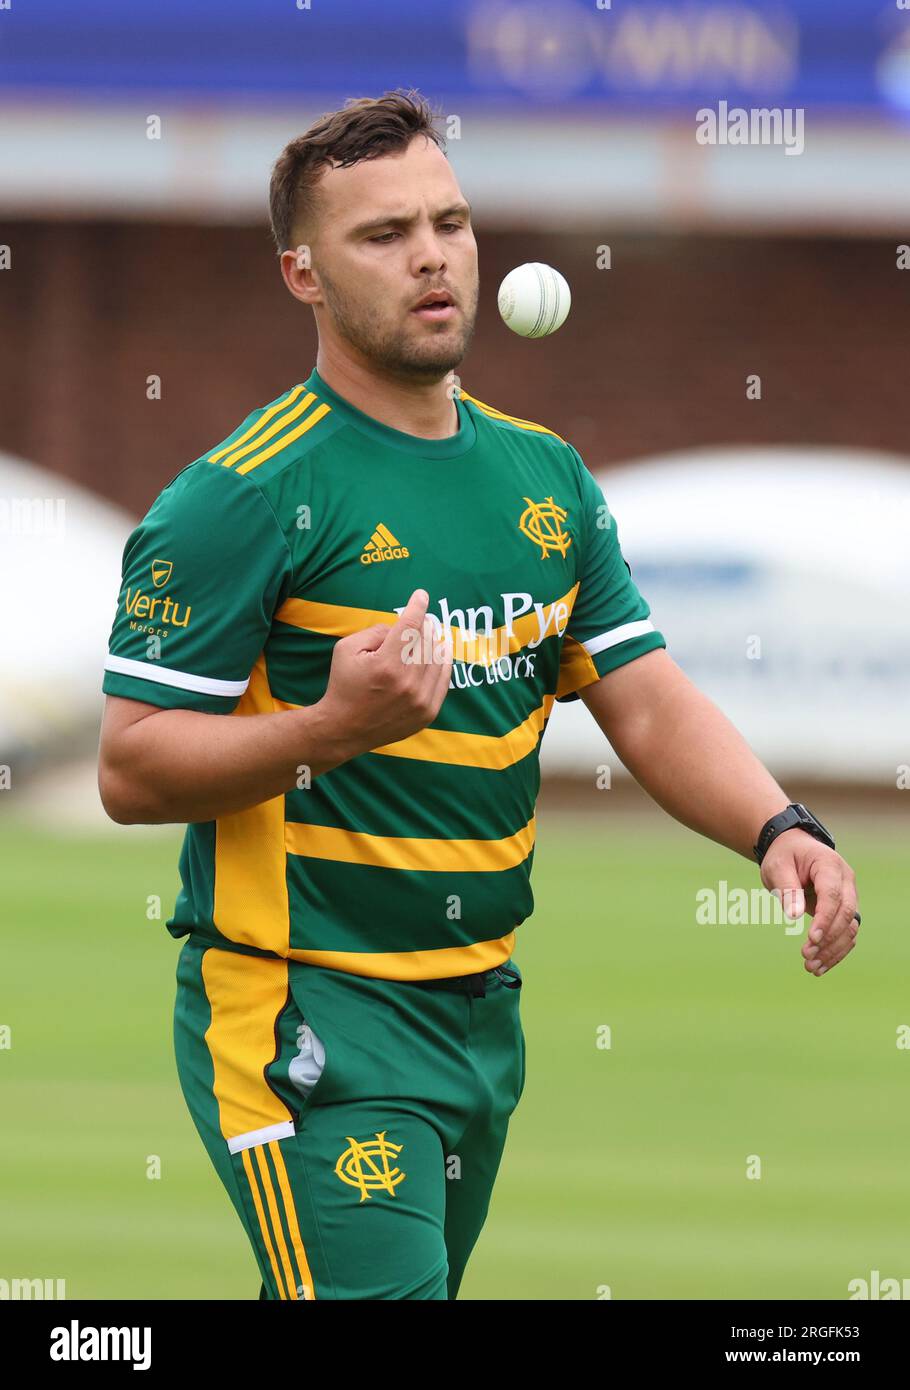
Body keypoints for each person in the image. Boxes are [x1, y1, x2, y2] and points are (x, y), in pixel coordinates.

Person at [97, 89, 860, 1301]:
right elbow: (130, 769)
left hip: (479, 1012)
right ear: (303, 274)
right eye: (383, 234)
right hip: (305, 1014)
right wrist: (331, 728)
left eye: (448, 222)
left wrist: (777, 825)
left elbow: (645, 698)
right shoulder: (240, 495)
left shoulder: (542, 474)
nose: (432, 255)